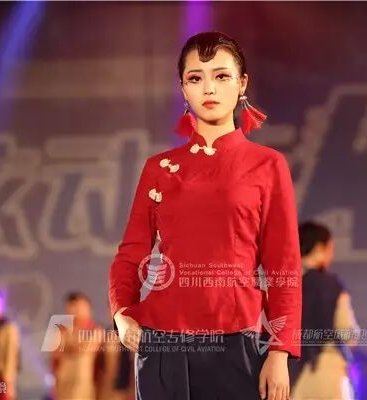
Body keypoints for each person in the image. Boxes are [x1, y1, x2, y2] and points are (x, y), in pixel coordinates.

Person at [108, 31, 302, 400]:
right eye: (195, 78)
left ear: (242, 83)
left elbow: (284, 265)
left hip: (237, 343)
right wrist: (122, 314)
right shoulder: (159, 168)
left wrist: (280, 350)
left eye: (222, 76)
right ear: (183, 88)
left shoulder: (267, 165)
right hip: (162, 345)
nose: (209, 88)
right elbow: (131, 253)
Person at [289, 221, 359, 400]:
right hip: (327, 370)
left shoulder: (285, 283)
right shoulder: (331, 284)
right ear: (320, 248)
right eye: (330, 249)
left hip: (291, 375)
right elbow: (347, 332)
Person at [51, 291, 104, 400]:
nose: (74, 310)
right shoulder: (61, 330)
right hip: (64, 383)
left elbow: (86, 349)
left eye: (78, 306)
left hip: (84, 384)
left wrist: (69, 348)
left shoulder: (95, 330)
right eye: (71, 307)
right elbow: (55, 358)